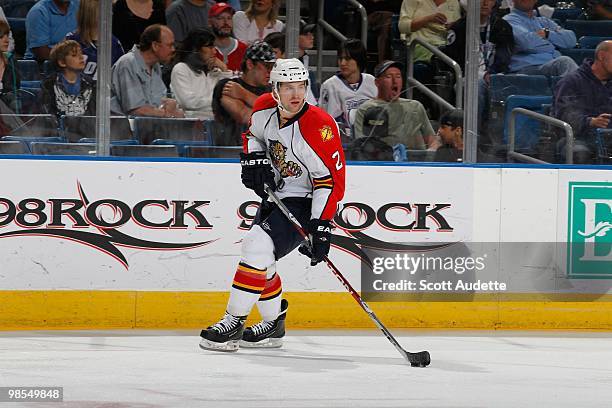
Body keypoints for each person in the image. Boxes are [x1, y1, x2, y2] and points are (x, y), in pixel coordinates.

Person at [199, 58, 346, 352]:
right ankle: (273, 323)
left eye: (301, 86)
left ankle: (233, 322)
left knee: (255, 245)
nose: (295, 94)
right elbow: (253, 136)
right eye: (287, 87)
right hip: (277, 194)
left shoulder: (320, 126)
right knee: (260, 255)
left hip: (307, 200)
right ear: (275, 90)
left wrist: (321, 225)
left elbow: (330, 182)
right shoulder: (265, 108)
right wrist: (252, 159)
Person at [354, 60, 440, 151]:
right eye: (389, 77)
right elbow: (362, 145)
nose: (395, 81)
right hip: (385, 161)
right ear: (377, 82)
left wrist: (430, 155)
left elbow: (432, 141)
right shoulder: (367, 109)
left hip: (416, 161)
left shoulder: (415, 106)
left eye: (398, 76)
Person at [553, 40, 612, 163]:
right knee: (580, 154)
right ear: (601, 56)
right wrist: (590, 121)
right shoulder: (571, 82)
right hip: (576, 137)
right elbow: (564, 115)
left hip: (608, 138)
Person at [111, 24, 184, 118]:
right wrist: (168, 114)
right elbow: (135, 109)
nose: (173, 49)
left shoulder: (156, 66)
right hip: (121, 129)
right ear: (155, 46)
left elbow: (155, 103)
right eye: (169, 45)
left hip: (146, 127)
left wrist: (168, 104)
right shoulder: (128, 63)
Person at [211, 40, 275, 145]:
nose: (270, 71)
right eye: (267, 66)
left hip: (264, 152)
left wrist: (243, 94)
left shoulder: (272, 90)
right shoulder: (227, 85)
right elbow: (244, 115)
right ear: (250, 64)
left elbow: (277, 117)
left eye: (273, 67)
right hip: (230, 152)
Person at [503, 0, 578, 76]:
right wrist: (553, 42)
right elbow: (527, 44)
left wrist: (547, 34)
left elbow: (571, 41)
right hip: (526, 68)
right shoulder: (509, 20)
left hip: (551, 64)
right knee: (564, 63)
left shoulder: (544, 21)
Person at [319, 38, 376, 136]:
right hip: (343, 141)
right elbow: (326, 123)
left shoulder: (371, 81)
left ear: (359, 59)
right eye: (340, 58)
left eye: (348, 59)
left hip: (371, 137)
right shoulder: (330, 85)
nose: (342, 63)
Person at [170, 28, 229, 119]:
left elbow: (231, 95)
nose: (214, 51)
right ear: (195, 49)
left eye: (214, 47)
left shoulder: (216, 72)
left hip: (216, 124)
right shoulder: (181, 69)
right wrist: (221, 102)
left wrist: (224, 70)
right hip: (190, 125)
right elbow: (189, 103)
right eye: (210, 47)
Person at [66, 0, 125, 81]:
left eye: (110, 9)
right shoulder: (71, 40)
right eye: (106, 10)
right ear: (90, 14)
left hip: (107, 91)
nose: (111, 13)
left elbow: (121, 75)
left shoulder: (114, 43)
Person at [41, 39, 96, 119]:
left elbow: (93, 115)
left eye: (81, 53)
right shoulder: (48, 85)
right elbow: (48, 115)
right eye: (74, 55)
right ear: (62, 62)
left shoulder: (91, 84)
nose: (81, 57)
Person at [209, 2, 247, 73]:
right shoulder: (205, 50)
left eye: (229, 18)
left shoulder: (243, 48)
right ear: (210, 22)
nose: (226, 22)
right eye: (220, 18)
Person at [0, 20, 20, 109]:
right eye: (1, 37)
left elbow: (15, 91)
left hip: (7, 113)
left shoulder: (11, 62)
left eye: (7, 35)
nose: (7, 40)